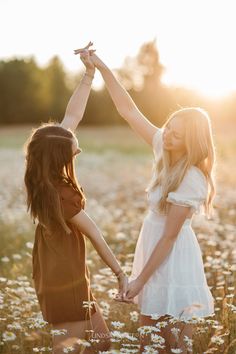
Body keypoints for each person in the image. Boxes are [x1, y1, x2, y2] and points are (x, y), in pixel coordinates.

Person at [75, 47, 216, 353]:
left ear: (191, 142)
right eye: (169, 129)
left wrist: (138, 281)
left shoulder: (191, 177)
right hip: (152, 248)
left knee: (175, 343)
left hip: (172, 257)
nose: (168, 137)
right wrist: (100, 66)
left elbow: (169, 237)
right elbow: (128, 109)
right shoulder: (163, 149)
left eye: (177, 136)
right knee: (147, 340)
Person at [24, 42, 128, 354]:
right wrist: (121, 275)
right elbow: (95, 233)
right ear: (58, 158)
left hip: (63, 273)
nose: (78, 149)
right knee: (68, 349)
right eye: (74, 150)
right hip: (64, 279)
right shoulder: (61, 195)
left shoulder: (46, 170)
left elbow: (72, 116)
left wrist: (88, 74)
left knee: (102, 343)